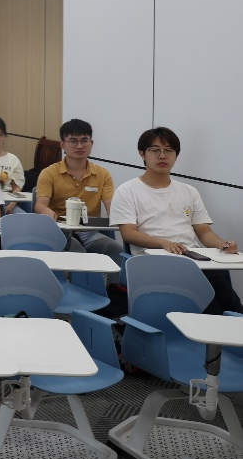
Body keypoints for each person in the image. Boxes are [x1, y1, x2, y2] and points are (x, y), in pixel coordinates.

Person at [113, 127, 242, 314]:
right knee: (214, 303)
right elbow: (128, 233)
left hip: (192, 259)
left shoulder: (189, 191)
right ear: (142, 154)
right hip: (152, 261)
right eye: (155, 150)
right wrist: (163, 243)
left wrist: (222, 244)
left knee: (226, 296)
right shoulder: (127, 191)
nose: (162, 155)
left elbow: (204, 232)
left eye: (169, 150)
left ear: (176, 155)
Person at [33, 119, 125, 265]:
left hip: (89, 232)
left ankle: (109, 281)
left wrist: (120, 216)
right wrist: (47, 212)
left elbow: (111, 206)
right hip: (60, 231)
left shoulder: (103, 174)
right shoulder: (49, 173)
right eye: (73, 141)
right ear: (62, 145)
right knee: (79, 255)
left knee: (117, 251)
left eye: (84, 140)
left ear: (91, 144)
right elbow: (40, 205)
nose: (80, 146)